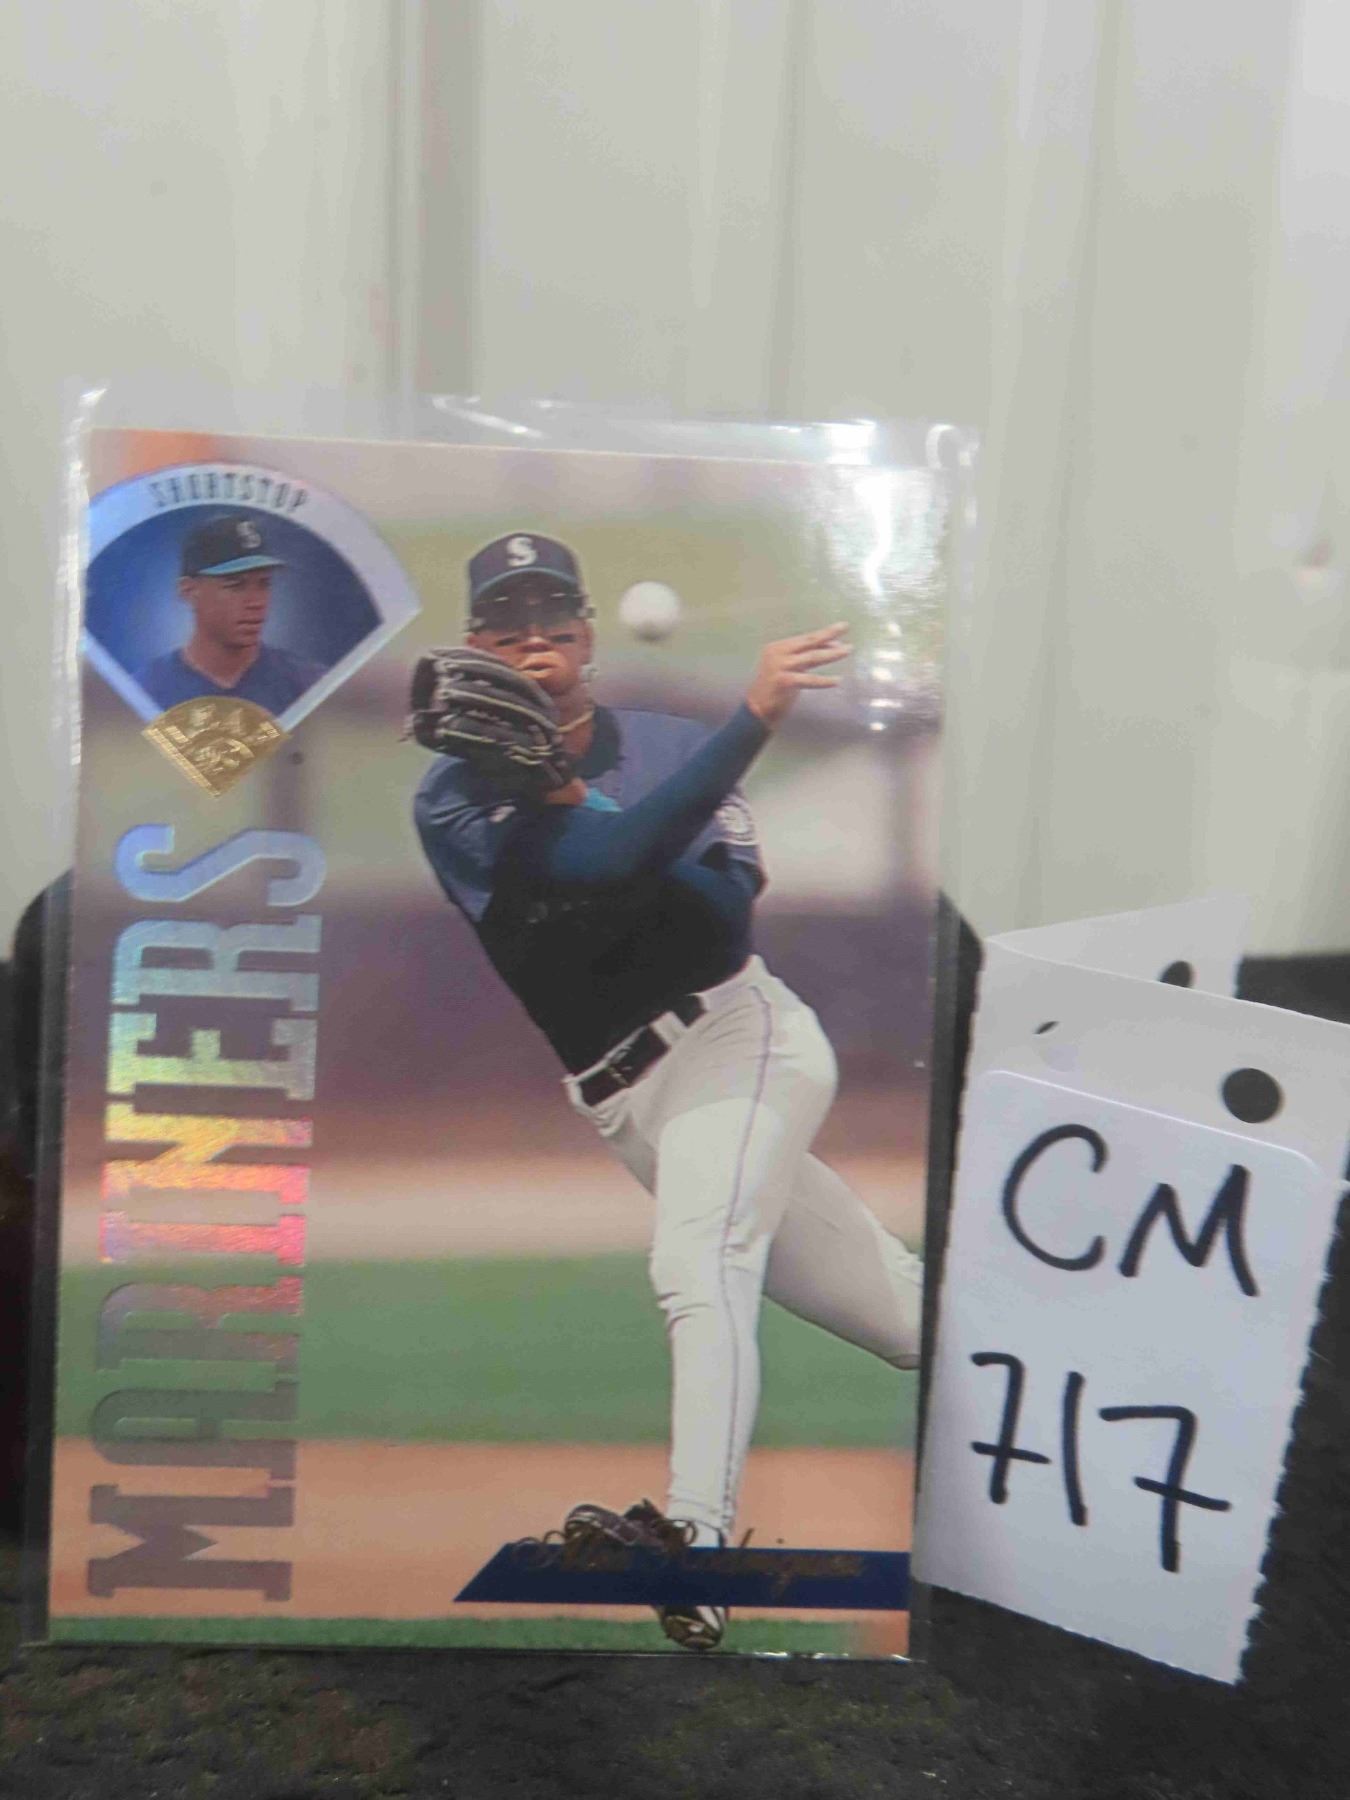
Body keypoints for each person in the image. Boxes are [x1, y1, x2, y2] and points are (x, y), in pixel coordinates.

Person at [412, 531, 923, 1651]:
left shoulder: (681, 747)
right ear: (473, 647)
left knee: (699, 1266)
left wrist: (743, 725)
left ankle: (696, 1547)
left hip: (740, 1040)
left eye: (553, 616)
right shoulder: (450, 800)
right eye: (505, 622)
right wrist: (578, 799)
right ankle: (1088, 1399)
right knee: (907, 1321)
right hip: (628, 1104)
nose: (533, 639)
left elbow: (717, 917)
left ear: (590, 632)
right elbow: (594, 868)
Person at [137, 514, 324, 714]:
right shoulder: (143, 692)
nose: (256, 602)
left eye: (264, 584)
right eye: (235, 586)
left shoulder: (311, 685)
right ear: (188, 590)